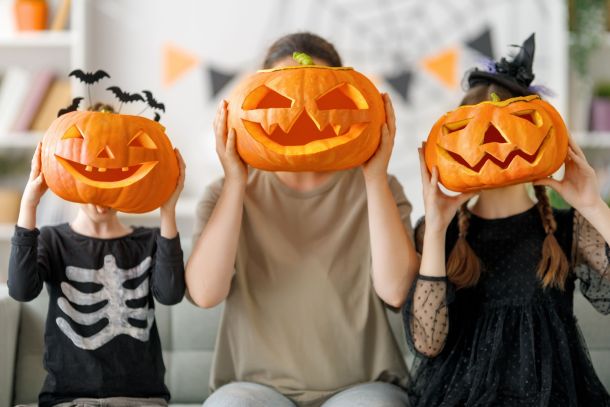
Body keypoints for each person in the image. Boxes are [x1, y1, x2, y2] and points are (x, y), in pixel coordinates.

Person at [187, 32, 419, 407]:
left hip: (362, 386)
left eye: (326, 100)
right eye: (279, 99)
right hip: (254, 388)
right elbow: (204, 293)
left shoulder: (381, 188)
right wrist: (235, 182)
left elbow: (396, 291)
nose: (303, 112)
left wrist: (374, 175)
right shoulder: (224, 193)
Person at [404, 34, 610, 406]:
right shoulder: (439, 233)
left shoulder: (568, 228)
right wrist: (434, 229)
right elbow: (427, 343)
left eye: (512, 126)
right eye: (472, 132)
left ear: (541, 133)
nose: (493, 144)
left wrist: (594, 206)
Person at [8, 143, 187, 407]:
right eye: (93, 179)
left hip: (142, 399)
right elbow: (21, 290)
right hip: (68, 399)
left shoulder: (149, 241)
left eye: (113, 181)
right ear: (72, 177)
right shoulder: (52, 240)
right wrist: (29, 204)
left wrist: (168, 211)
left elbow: (170, 294)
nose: (102, 198)